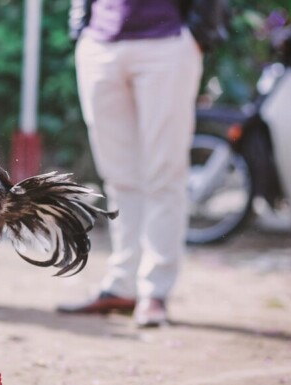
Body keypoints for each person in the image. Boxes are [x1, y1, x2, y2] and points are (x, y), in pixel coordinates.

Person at [57, 0, 226, 327]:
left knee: (165, 173)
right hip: (100, 42)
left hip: (166, 41)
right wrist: (81, 29)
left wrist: (198, 36)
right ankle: (123, 284)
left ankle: (154, 291)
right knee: (118, 176)